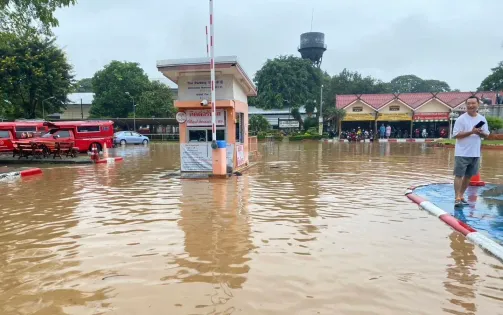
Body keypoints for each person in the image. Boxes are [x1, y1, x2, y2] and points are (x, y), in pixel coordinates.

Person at [452, 96, 490, 207]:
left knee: (468, 176)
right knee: (459, 175)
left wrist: (479, 133)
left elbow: (486, 134)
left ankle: (461, 195)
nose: (470, 105)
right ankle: (456, 198)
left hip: (475, 152)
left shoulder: (482, 119)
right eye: (468, 103)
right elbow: (456, 135)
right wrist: (471, 132)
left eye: (473, 103)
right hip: (462, 152)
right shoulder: (461, 119)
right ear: (466, 105)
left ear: (478, 104)